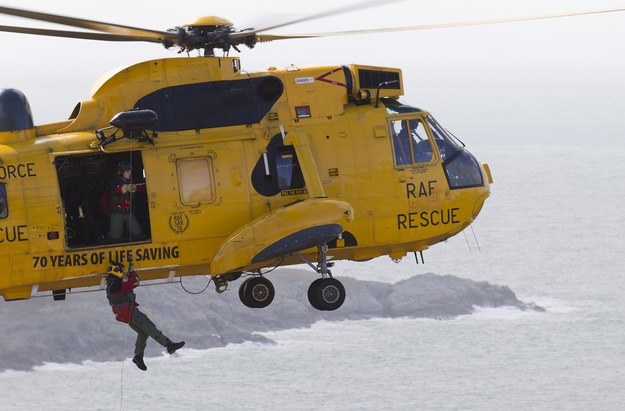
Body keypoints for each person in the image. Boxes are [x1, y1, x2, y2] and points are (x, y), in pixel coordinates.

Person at [105, 261, 185, 371]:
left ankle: (138, 356)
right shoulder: (115, 284)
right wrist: (132, 272)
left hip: (124, 314)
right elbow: (135, 282)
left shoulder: (112, 284)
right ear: (117, 271)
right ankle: (168, 345)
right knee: (150, 326)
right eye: (120, 270)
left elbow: (126, 288)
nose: (122, 273)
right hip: (130, 312)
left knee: (143, 332)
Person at [107, 161, 145, 240]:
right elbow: (115, 191)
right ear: (121, 172)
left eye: (130, 171)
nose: (130, 173)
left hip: (129, 212)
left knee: (137, 233)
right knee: (115, 238)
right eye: (127, 171)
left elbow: (138, 187)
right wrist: (126, 188)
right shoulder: (114, 182)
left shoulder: (131, 182)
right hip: (117, 213)